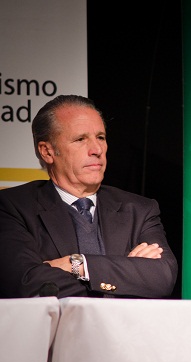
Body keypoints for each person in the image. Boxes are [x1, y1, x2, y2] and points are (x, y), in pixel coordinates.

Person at [0, 95, 178, 298]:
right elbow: (27, 282)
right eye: (80, 139)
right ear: (47, 152)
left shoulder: (139, 209)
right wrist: (125, 277)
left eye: (100, 137)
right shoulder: (12, 207)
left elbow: (162, 277)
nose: (97, 150)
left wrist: (76, 265)